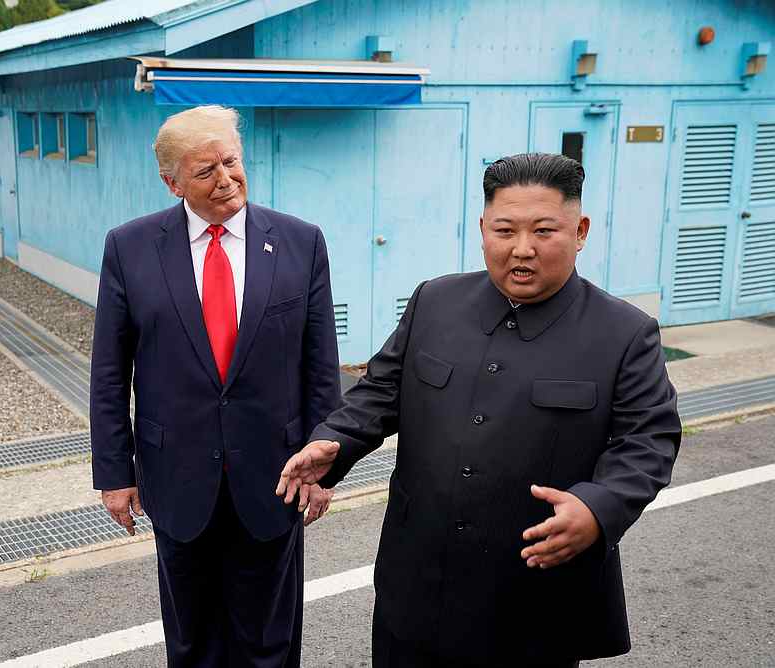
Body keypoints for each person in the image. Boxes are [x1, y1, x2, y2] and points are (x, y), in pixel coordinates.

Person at [277, 153, 682, 667]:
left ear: (579, 231)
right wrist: (332, 442)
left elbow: (648, 441)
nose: (522, 249)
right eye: (505, 229)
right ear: (482, 228)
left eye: (544, 231)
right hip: (415, 584)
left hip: (534, 595)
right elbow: (379, 392)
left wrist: (598, 508)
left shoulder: (625, 333)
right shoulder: (436, 301)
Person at [90, 105, 341, 667]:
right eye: (206, 171)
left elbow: (320, 366)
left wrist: (325, 466)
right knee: (193, 641)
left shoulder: (301, 242)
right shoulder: (129, 248)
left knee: (270, 641)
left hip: (275, 476)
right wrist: (114, 473)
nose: (226, 179)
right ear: (172, 181)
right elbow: (110, 371)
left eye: (231, 161)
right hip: (175, 476)